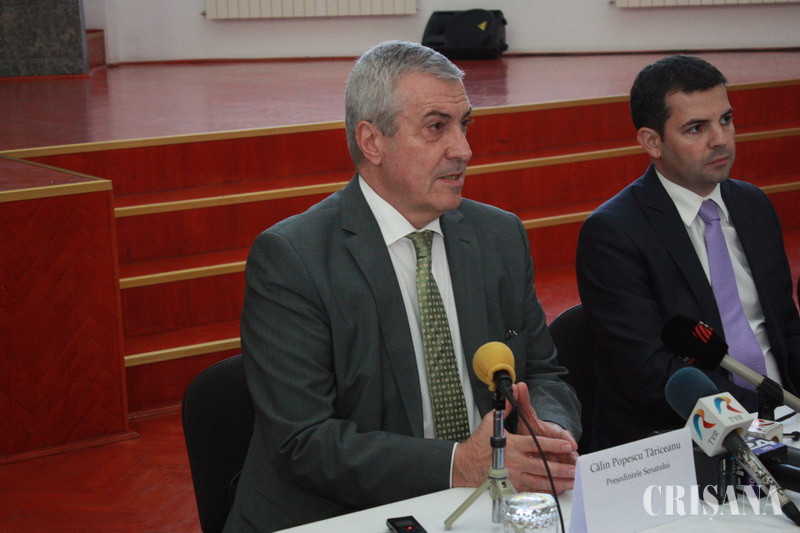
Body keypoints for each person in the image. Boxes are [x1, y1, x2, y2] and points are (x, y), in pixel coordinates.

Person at [223, 40, 581, 532]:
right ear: (372, 141)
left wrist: (549, 431)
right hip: (340, 514)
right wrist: (457, 463)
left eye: (464, 124)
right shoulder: (293, 259)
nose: (463, 149)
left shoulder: (499, 236)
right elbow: (302, 441)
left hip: (486, 503)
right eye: (436, 127)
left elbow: (543, 373)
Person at [576, 54, 800, 450]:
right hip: (688, 438)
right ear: (652, 142)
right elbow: (651, 373)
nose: (720, 139)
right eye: (696, 128)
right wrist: (766, 420)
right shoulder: (614, 233)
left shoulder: (753, 205)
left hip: (787, 419)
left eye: (725, 120)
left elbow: (786, 330)